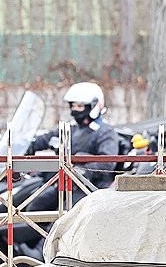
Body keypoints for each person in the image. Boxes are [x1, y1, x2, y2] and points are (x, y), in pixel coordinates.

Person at [22, 81, 121, 210]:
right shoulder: (71, 128)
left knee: (65, 218)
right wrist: (28, 145)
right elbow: (48, 138)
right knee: (35, 208)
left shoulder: (104, 132)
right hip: (66, 182)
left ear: (94, 106)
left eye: (80, 106)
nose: (75, 110)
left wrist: (81, 167)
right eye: (73, 106)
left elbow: (108, 162)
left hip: (91, 187)